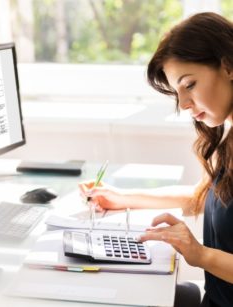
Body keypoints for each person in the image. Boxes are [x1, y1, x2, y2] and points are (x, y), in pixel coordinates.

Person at [79, 12, 233, 307]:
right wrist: (123, 198)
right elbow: (206, 196)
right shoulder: (229, 136)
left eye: (190, 85)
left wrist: (200, 254)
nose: (184, 104)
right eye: (177, 92)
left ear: (227, 66)